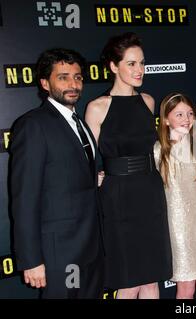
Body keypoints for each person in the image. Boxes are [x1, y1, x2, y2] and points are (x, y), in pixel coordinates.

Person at [10, 48, 104, 298]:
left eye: (78, 77)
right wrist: (31, 259)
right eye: (63, 77)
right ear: (44, 83)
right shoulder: (33, 125)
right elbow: (25, 198)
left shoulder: (80, 123)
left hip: (92, 247)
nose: (73, 84)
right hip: (60, 252)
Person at [85, 32, 172, 299]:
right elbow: (86, 159)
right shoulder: (97, 107)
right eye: (132, 64)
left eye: (142, 63)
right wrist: (96, 176)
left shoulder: (147, 101)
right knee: (128, 279)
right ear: (114, 66)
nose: (140, 70)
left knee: (151, 279)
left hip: (150, 190)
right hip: (118, 197)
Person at [154, 92, 196, 299]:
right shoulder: (158, 151)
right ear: (166, 119)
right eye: (179, 114)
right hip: (178, 228)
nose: (186, 119)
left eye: (190, 114)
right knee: (186, 287)